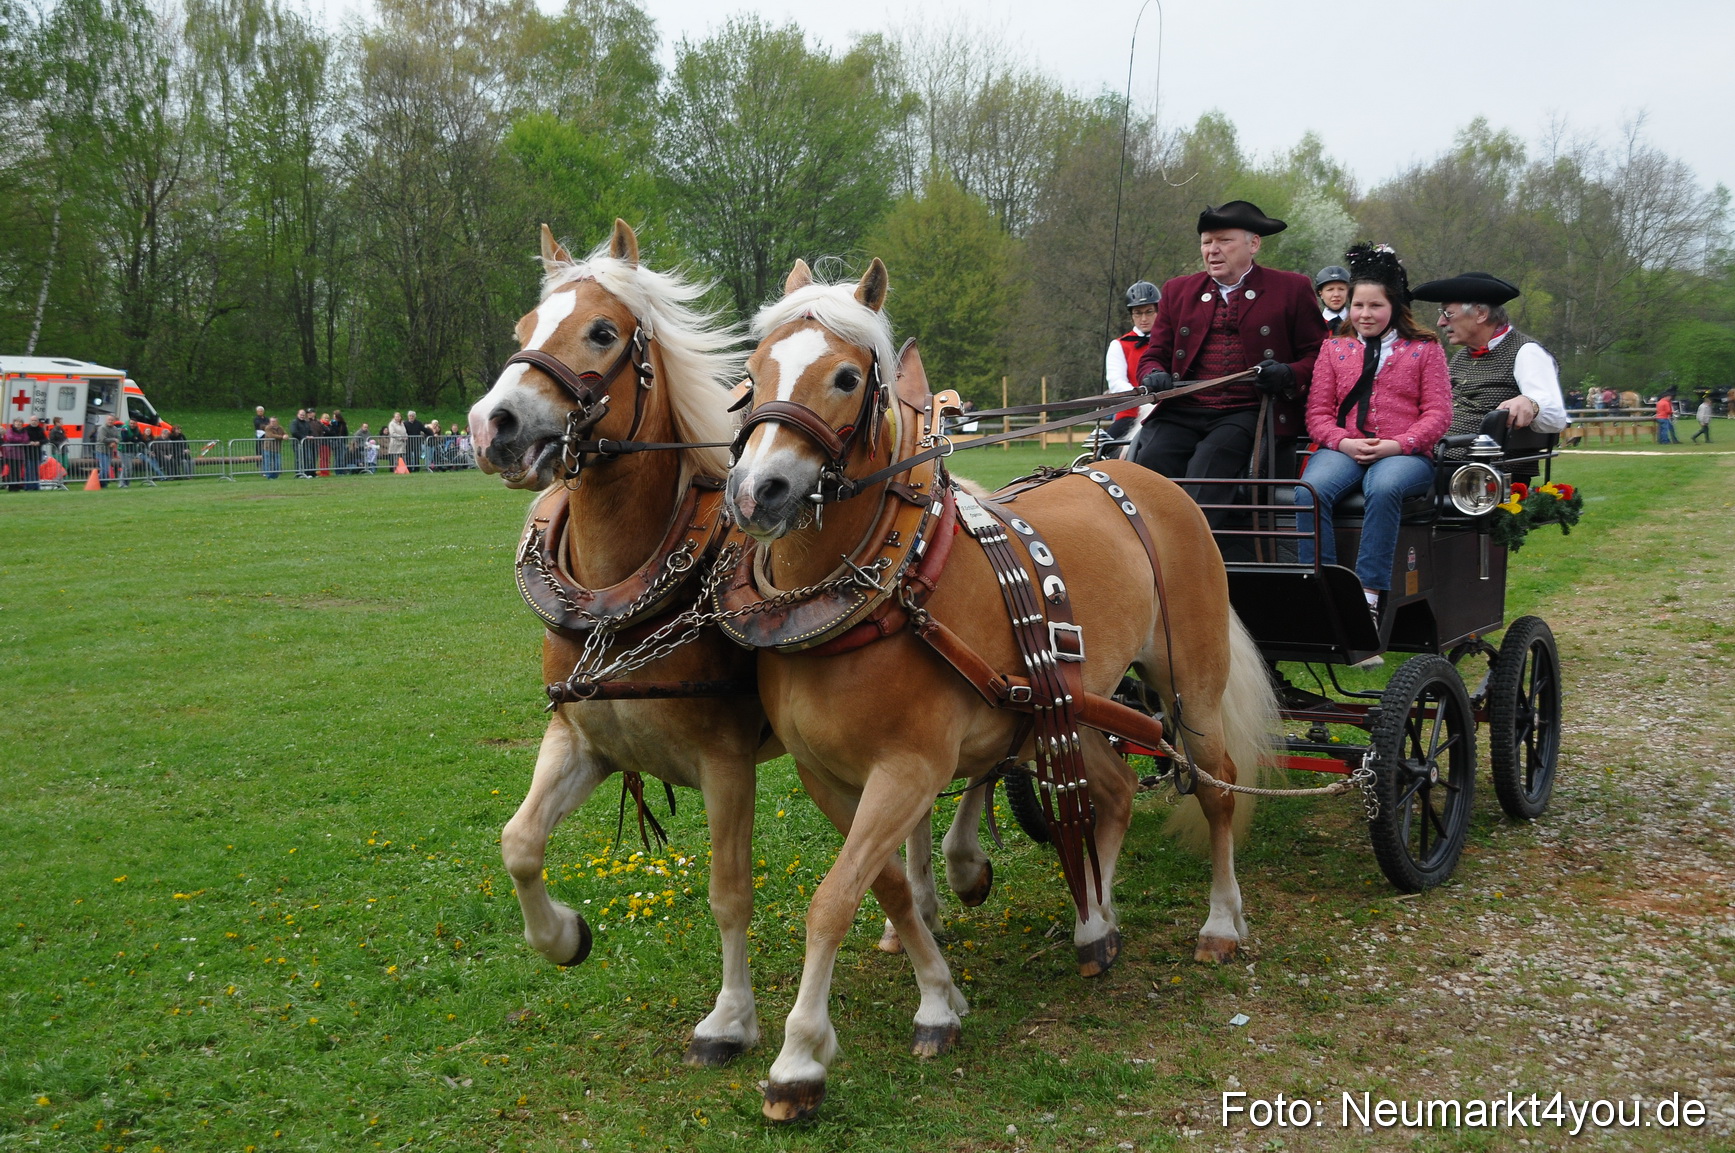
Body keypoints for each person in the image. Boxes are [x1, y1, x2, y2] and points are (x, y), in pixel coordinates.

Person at [1132, 200, 1328, 522]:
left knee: (1209, 464)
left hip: (1249, 411)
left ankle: (1194, 561)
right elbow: (1155, 355)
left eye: (1224, 241)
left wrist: (1288, 374)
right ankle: (1148, 554)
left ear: (1253, 244)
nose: (1213, 250)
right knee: (1151, 461)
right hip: (1184, 408)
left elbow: (1318, 355)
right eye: (1207, 242)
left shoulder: (1290, 288)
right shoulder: (1178, 290)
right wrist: (1153, 373)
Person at [1297, 245, 1451, 622]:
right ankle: (1322, 588)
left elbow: (1439, 413)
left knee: (1382, 489)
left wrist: (1399, 444)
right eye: (1358, 305)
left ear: (1394, 307)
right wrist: (1342, 441)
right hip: (1345, 447)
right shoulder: (1334, 348)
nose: (1365, 314)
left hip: (1405, 453)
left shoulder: (1424, 349)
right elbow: (1317, 413)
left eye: (1375, 306)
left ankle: (1367, 596)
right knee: (1309, 492)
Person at [1410, 271, 1568, 455]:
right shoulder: (1461, 357)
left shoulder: (1526, 352)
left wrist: (1530, 403)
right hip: (1433, 458)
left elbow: (1556, 416)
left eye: (1448, 313)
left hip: (1474, 471)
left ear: (1481, 314)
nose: (1441, 322)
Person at [1105, 281, 1161, 446]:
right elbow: (1116, 383)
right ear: (1131, 315)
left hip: (1165, 412)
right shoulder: (1119, 345)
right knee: (1103, 450)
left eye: (1149, 312)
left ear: (1158, 312)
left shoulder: (1170, 342)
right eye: (1138, 313)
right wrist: (1144, 397)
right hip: (1130, 414)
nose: (1144, 319)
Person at [1315, 265, 1351, 334]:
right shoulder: (1314, 325)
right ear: (1321, 294)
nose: (1336, 294)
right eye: (1330, 290)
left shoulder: (1357, 323)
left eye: (1341, 289)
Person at [289, 408, 314, 478]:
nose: (302, 416)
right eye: (301, 414)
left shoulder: (306, 423)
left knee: (307, 458)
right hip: (297, 443)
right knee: (299, 459)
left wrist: (310, 435)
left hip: (306, 444)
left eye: (303, 415)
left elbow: (310, 430)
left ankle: (306, 473)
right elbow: (294, 432)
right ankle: (299, 473)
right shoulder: (294, 422)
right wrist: (304, 437)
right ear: (297, 414)